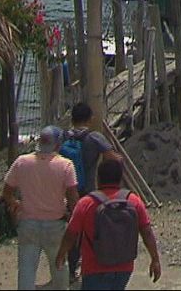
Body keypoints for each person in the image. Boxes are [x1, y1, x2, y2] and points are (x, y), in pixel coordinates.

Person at [57, 158, 161, 290]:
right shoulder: (134, 201)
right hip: (124, 268)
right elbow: (147, 232)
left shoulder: (86, 203)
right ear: (120, 179)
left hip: (94, 268)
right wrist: (155, 259)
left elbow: (71, 233)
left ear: (98, 178)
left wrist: (61, 254)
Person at [4, 126, 79, 291]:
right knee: (59, 267)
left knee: (26, 271)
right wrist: (75, 221)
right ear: (58, 144)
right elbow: (74, 199)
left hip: (28, 223)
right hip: (55, 225)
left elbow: (7, 191)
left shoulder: (22, 162)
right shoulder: (66, 166)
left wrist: (14, 203)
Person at [62, 101, 116, 281]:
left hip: (68, 192)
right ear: (90, 119)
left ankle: (70, 271)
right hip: (88, 191)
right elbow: (111, 158)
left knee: (73, 230)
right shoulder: (94, 138)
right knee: (93, 230)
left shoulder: (63, 137)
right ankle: (92, 268)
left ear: (72, 118)